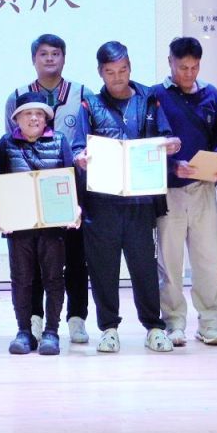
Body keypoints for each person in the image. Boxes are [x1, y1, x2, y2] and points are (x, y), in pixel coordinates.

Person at [72, 41, 182, 353]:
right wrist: (81, 158)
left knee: (144, 266)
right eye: (110, 72)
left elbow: (166, 136)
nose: (117, 77)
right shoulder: (90, 104)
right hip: (102, 202)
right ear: (100, 72)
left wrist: (171, 144)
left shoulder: (149, 99)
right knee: (103, 268)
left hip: (140, 201)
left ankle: (153, 327)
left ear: (130, 67)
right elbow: (78, 146)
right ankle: (109, 329)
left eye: (122, 70)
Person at [4, 34, 93, 345]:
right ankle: (33, 322)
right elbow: (11, 150)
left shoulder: (82, 93)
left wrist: (76, 200)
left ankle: (76, 319)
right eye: (43, 54)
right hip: (26, 203)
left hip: (70, 196)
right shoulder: (17, 96)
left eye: (56, 53)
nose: (50, 59)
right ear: (34, 59)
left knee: (75, 261)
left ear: (64, 58)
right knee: (31, 269)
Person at [152, 37, 217, 346]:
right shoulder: (155, 96)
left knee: (208, 259)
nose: (189, 73)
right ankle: (174, 323)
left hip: (203, 187)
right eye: (182, 67)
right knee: (169, 262)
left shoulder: (211, 95)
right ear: (170, 62)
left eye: (194, 67)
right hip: (169, 191)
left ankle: (210, 323)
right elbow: (149, 145)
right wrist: (173, 167)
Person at [0, 91, 78, 356]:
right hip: (19, 227)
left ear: (46, 118)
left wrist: (74, 209)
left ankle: (51, 332)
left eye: (39, 114)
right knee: (21, 279)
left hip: (53, 226)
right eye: (28, 113)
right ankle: (24, 331)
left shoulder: (60, 141)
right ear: (17, 119)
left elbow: (71, 179)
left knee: (54, 278)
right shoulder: (5, 144)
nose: (34, 118)